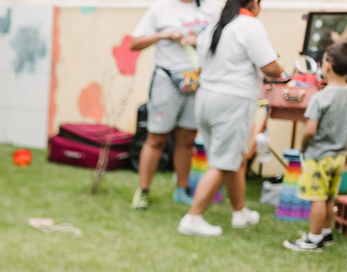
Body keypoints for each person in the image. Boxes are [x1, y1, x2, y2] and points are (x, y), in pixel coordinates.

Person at [178, 0, 283, 236]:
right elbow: (271, 67)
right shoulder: (250, 25)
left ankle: (240, 212)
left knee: (233, 156)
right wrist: (282, 69)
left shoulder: (217, 23)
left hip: (206, 98)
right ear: (254, 3)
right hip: (232, 101)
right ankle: (192, 218)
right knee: (223, 161)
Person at [129, 0, 211, 210]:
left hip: (196, 80)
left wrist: (198, 42)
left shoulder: (210, 8)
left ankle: (181, 190)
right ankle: (143, 190)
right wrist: (162, 35)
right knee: (156, 138)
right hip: (166, 79)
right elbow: (134, 43)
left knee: (187, 139)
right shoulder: (160, 8)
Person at [284, 43, 347, 251]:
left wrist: (303, 146)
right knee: (329, 197)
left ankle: (313, 239)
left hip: (319, 155)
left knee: (317, 198)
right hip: (339, 157)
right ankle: (325, 233)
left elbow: (310, 130)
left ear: (327, 66)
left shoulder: (320, 97)